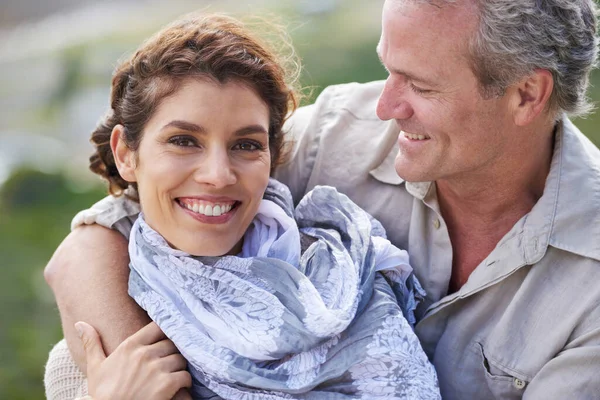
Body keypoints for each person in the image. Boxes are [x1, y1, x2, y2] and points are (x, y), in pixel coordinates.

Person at [45, 0, 600, 398]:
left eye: (421, 86)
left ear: (527, 94)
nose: (386, 106)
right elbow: (96, 239)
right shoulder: (336, 133)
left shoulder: (591, 290)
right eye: (388, 70)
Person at [43, 11, 440, 400]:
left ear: (273, 156)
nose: (218, 174)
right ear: (126, 154)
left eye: (246, 145)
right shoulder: (97, 333)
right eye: (183, 140)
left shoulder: (348, 282)